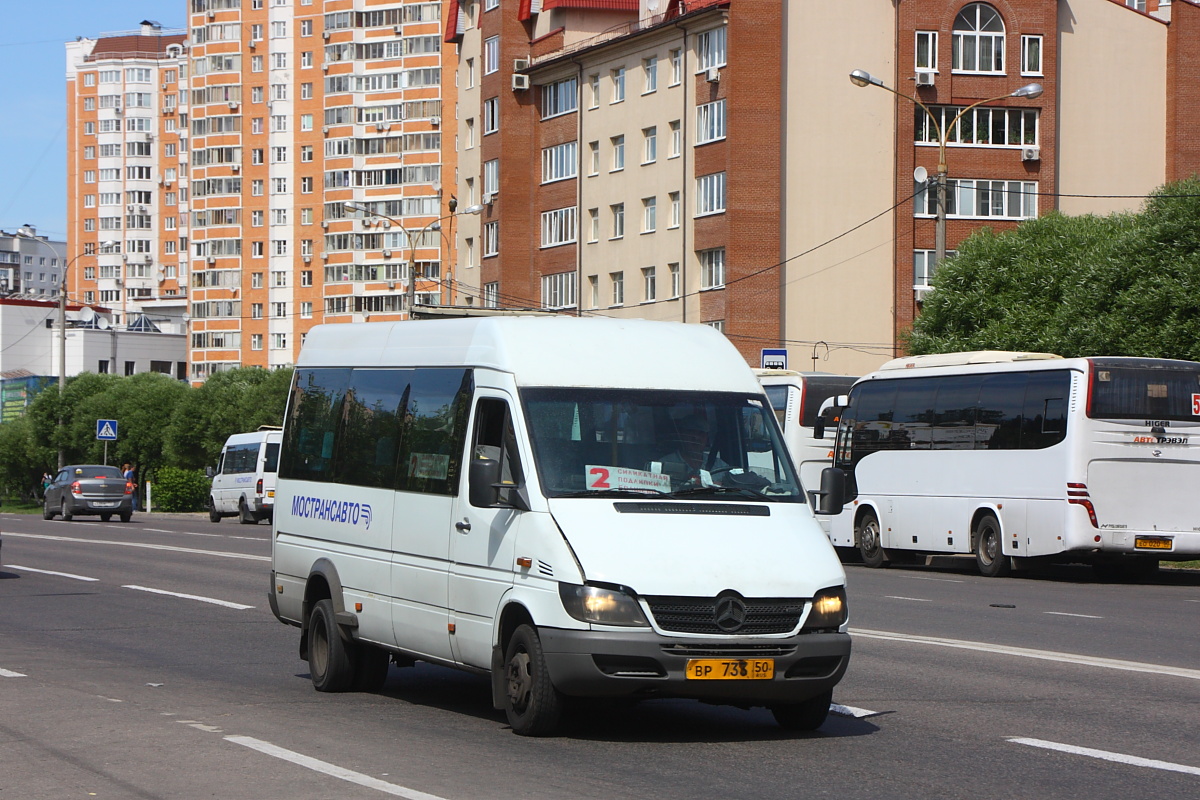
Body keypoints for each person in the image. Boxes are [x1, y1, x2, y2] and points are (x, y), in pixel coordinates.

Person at [655, 413, 727, 488]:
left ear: (707, 438)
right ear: (681, 435)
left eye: (701, 433)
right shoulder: (662, 466)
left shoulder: (720, 466)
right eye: (691, 433)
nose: (696, 438)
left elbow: (734, 488)